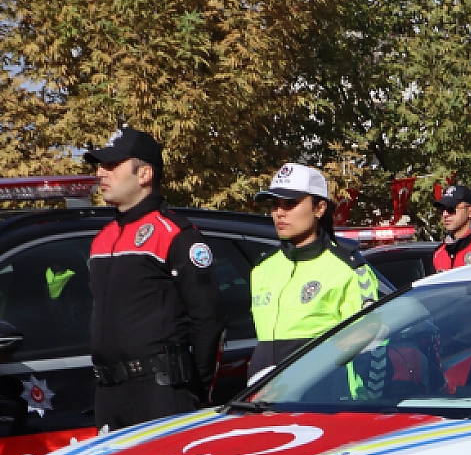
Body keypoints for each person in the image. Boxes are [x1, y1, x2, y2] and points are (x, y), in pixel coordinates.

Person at [83, 127, 226, 430]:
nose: (100, 173)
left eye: (112, 165)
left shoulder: (175, 234)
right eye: (100, 165)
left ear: (144, 174)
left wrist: (197, 389)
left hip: (160, 391)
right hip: (109, 394)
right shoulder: (102, 239)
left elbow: (207, 318)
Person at [249, 163, 380, 376]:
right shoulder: (262, 268)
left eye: (290, 204)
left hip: (326, 391)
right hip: (266, 391)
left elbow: (371, 346)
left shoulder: (348, 269)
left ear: (319, 208)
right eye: (274, 204)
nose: (279, 213)